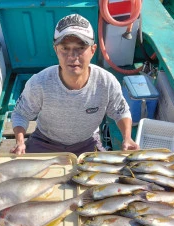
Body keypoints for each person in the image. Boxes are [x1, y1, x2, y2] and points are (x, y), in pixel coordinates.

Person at [10, 13, 139, 156]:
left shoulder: (106, 82)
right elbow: (20, 114)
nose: (72, 56)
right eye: (65, 48)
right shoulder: (39, 83)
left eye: (80, 47)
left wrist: (127, 138)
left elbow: (120, 111)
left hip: (87, 143)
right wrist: (20, 142)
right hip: (44, 142)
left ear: (93, 50)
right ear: (56, 50)